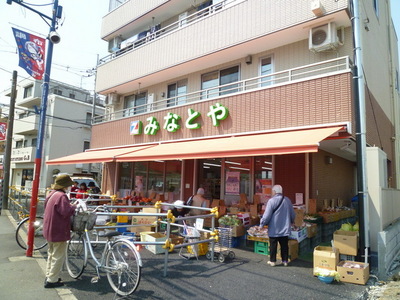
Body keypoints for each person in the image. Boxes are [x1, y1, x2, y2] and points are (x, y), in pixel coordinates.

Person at [43, 174, 78, 288]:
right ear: (65, 186)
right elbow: (66, 212)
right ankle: (52, 280)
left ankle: (49, 275)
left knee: (51, 253)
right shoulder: (62, 196)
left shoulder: (51, 194)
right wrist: (73, 207)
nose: (70, 187)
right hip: (58, 230)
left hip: (49, 228)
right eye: (69, 185)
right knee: (58, 255)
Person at [259, 184, 295, 267]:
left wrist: (262, 224)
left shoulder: (271, 201)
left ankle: (273, 261)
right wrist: (292, 221)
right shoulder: (287, 200)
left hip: (274, 228)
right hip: (285, 228)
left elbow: (267, 215)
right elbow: (292, 213)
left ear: (274, 192)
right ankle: (285, 261)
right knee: (284, 245)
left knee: (273, 245)